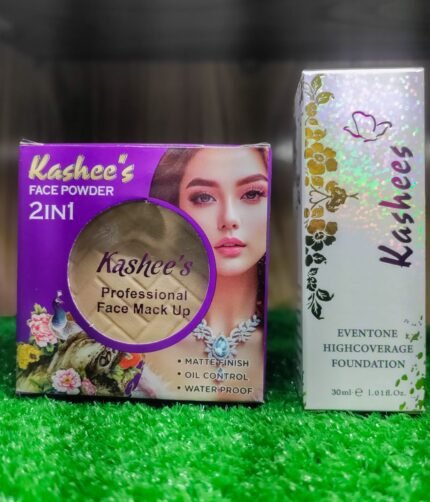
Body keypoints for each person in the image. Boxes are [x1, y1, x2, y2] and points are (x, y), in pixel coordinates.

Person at [145, 146, 268, 402]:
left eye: (252, 194)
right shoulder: (142, 341)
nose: (229, 219)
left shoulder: (278, 344)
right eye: (203, 198)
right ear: (174, 209)